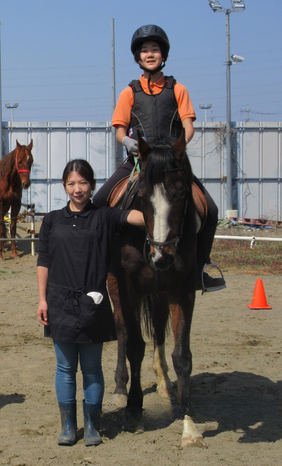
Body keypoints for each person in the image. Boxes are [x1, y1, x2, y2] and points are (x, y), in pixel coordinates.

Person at [92, 24, 224, 291]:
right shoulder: (128, 92)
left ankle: (201, 268)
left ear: (163, 55)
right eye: (144, 51)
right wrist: (129, 142)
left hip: (172, 165)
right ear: (138, 57)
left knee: (210, 210)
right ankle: (98, 268)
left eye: (154, 49)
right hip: (139, 161)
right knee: (97, 203)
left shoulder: (179, 90)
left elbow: (189, 127)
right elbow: (119, 130)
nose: (149, 54)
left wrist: (177, 150)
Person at [37, 159, 144, 447]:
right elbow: (43, 261)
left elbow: (134, 217)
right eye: (71, 183)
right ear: (64, 186)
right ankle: (69, 427)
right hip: (59, 301)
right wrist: (42, 299)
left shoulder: (105, 216)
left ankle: (93, 426)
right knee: (64, 368)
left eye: (82, 183)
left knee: (93, 368)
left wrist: (160, 211)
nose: (77, 189)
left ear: (92, 185)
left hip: (93, 302)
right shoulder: (51, 220)